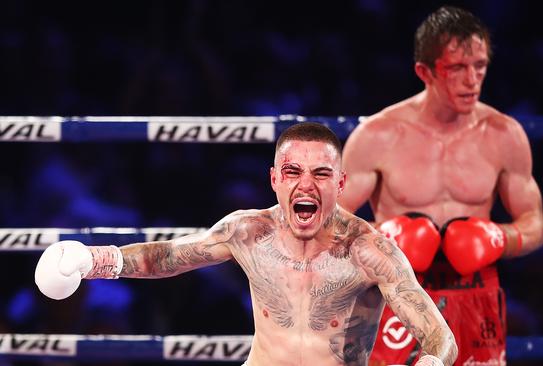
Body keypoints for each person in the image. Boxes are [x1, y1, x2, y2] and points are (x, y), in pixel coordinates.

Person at [34, 122, 458, 366]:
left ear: (341, 183)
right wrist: (93, 259)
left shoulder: (370, 251)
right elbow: (167, 257)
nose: (305, 184)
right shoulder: (248, 232)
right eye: (292, 172)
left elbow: (440, 337)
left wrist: (433, 363)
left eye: (321, 174)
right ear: (274, 180)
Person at [339, 6, 543, 366]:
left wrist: (498, 237)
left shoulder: (504, 135)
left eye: (479, 66)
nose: (472, 80)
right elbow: (328, 223)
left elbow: (534, 223)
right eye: (457, 68)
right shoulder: (378, 135)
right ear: (425, 71)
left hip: (477, 294)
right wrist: (382, 238)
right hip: (400, 292)